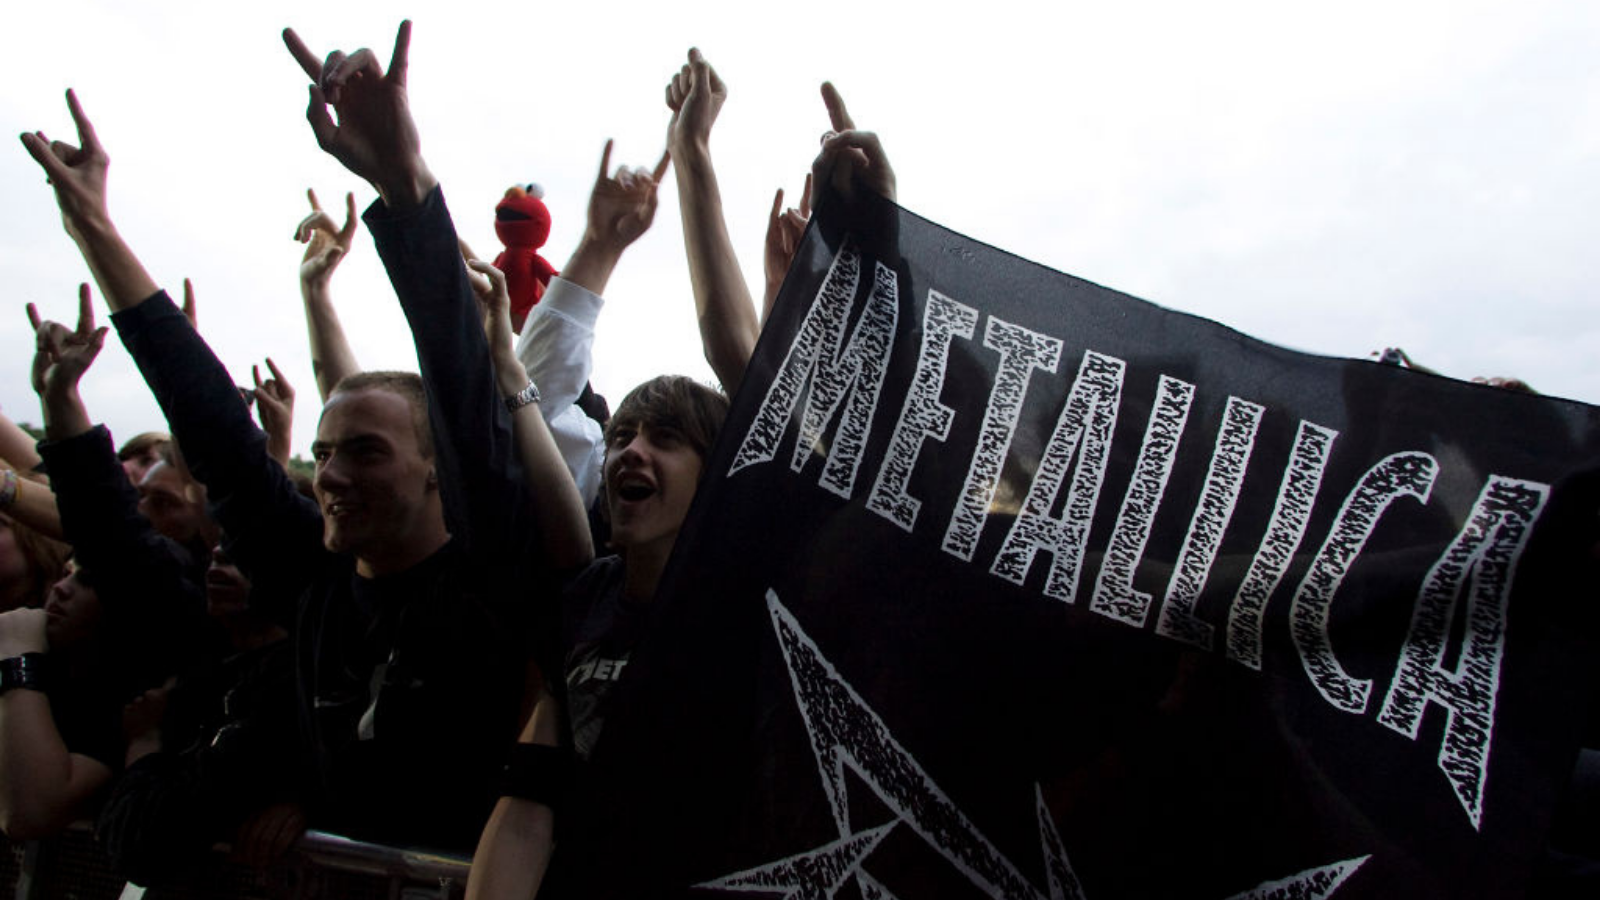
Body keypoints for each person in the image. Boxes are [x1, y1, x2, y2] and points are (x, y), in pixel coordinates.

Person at [20, 18, 587, 850]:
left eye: (366, 451)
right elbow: (210, 425)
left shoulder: (489, 580)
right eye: (322, 454)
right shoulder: (314, 586)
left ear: (438, 474)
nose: (330, 476)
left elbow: (466, 400)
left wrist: (405, 186)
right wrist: (95, 230)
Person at [466, 50, 898, 899]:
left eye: (667, 439)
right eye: (623, 434)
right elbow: (529, 802)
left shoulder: (753, 584)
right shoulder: (586, 599)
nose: (630, 451)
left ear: (721, 471)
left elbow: (737, 354)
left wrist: (693, 152)